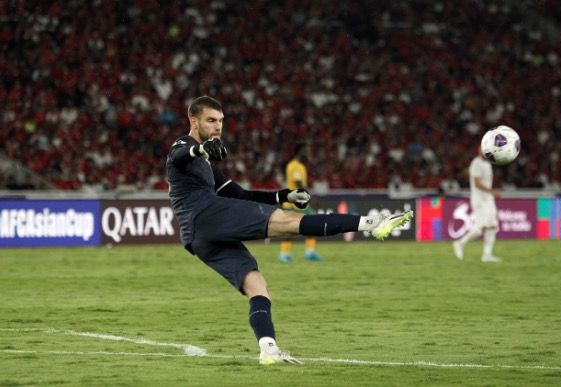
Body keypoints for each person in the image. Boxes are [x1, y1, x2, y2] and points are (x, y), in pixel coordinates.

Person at [166, 96, 414, 365]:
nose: (218, 127)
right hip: (205, 215)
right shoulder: (184, 145)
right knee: (289, 224)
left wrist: (284, 195)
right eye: (211, 120)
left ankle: (268, 348)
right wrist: (200, 150)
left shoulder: (207, 166)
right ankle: (374, 224)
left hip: (198, 237)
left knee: (258, 286)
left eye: (221, 121)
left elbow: (241, 195)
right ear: (194, 121)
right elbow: (180, 156)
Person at [453, 146, 502, 263]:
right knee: (481, 228)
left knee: (492, 226)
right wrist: (492, 191)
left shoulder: (488, 163)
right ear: (478, 150)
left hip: (488, 199)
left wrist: (490, 193)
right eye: (481, 149)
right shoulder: (476, 163)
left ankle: (487, 255)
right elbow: (477, 183)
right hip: (479, 199)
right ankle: (460, 243)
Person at [278, 141, 322, 263]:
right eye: (306, 150)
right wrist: (311, 197)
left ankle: (310, 252)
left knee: (313, 225)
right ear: (300, 151)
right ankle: (284, 254)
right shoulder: (294, 166)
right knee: (290, 229)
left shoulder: (301, 166)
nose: (308, 153)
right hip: (292, 203)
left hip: (301, 202)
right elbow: (298, 184)